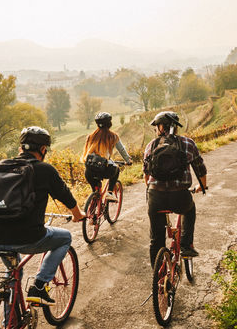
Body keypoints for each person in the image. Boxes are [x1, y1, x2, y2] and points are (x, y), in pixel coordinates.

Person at [0, 126, 84, 306]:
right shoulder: (45, 170)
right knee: (65, 238)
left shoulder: (1, 166)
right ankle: (39, 286)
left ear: (21, 147)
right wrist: (78, 214)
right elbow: (66, 197)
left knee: (13, 275)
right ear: (43, 149)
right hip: (28, 237)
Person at [143, 111, 207, 267]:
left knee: (156, 240)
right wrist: (202, 186)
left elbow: (146, 175)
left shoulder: (151, 145)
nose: (155, 130)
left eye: (156, 127)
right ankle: (186, 246)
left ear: (162, 127)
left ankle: (158, 278)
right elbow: (200, 169)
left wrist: (153, 188)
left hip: (155, 197)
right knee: (189, 209)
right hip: (180, 197)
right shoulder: (187, 143)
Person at [80, 112, 132, 201]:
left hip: (89, 170)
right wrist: (128, 160)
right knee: (116, 169)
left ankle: (93, 206)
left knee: (95, 192)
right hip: (104, 170)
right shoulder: (113, 136)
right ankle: (110, 192)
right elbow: (121, 150)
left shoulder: (91, 136)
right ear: (109, 123)